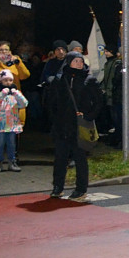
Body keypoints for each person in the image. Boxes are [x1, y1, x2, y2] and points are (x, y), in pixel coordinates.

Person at [46, 52, 103, 199]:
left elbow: (98, 102)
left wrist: (88, 116)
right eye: (75, 61)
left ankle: (81, 188)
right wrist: (54, 118)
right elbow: (50, 102)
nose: (79, 64)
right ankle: (57, 186)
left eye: (81, 61)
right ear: (68, 62)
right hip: (62, 126)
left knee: (80, 158)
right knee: (60, 158)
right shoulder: (59, 80)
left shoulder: (88, 80)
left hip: (79, 126)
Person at [0, 41, 30, 129]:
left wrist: (18, 63)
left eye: (6, 50)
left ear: (10, 52)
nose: (4, 52)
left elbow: (25, 75)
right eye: (1, 50)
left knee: (14, 131)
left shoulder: (15, 64)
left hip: (13, 101)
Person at [0, 68, 28, 172]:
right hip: (0, 124)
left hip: (12, 124)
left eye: (10, 80)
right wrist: (2, 95)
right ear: (0, 81)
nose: (8, 82)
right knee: (0, 143)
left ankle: (12, 162)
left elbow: (24, 104)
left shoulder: (15, 93)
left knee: (12, 143)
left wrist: (17, 95)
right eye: (5, 80)